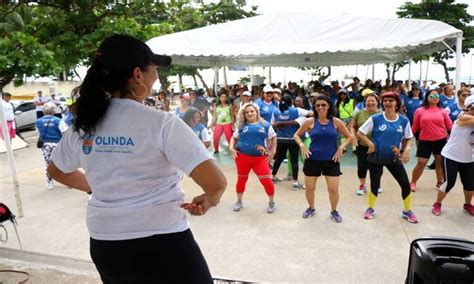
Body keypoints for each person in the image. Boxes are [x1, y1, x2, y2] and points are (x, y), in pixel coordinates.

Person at [47, 34, 226, 283]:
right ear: (138, 75)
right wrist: (210, 200)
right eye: (154, 69)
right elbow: (216, 182)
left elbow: (57, 171)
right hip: (163, 242)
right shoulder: (161, 124)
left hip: (105, 243)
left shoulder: (85, 122)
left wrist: (95, 187)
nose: (157, 77)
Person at [357, 92, 417, 223]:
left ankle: (407, 211)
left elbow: (408, 138)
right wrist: (369, 143)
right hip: (376, 158)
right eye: (385, 101)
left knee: (405, 185)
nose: (388, 103)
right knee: (375, 184)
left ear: (397, 103)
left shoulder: (403, 120)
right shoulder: (376, 118)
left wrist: (407, 149)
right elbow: (360, 133)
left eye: (391, 100)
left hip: (394, 158)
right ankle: (370, 208)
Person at [294, 95, 354, 223]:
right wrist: (302, 145)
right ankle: (311, 208)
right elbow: (296, 135)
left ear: (329, 106)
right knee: (310, 188)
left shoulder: (336, 121)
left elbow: (349, 137)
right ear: (314, 107)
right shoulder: (310, 121)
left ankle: (334, 211)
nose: (320, 107)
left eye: (323, 105)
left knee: (333, 189)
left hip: (331, 160)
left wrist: (341, 148)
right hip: (312, 159)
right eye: (317, 105)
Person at [229, 103, 277, 213]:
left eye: (252, 111)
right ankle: (239, 201)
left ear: (256, 112)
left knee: (266, 180)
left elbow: (273, 137)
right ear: (244, 115)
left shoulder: (265, 125)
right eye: (247, 112)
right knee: (241, 180)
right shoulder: (241, 126)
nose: (250, 113)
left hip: (260, 159)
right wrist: (231, 148)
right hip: (242, 157)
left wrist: (273, 151)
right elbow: (233, 138)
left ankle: (271, 202)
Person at [431, 95, 474, 216]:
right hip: (451, 156)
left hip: (467, 158)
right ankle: (437, 203)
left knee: (470, 184)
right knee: (449, 183)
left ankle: (467, 204)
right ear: (469, 107)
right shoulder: (464, 118)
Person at [410, 89, 452, 192]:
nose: (434, 98)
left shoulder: (443, 111)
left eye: (437, 96)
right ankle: (413, 182)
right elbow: (415, 126)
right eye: (432, 96)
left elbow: (450, 126)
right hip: (425, 140)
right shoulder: (420, 111)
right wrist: (407, 139)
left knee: (439, 162)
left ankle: (439, 182)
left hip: (440, 140)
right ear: (427, 98)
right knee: (421, 162)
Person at [271, 94, 309, 190]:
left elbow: (273, 124)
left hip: (280, 138)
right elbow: (311, 114)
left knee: (279, 158)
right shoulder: (297, 110)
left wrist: (280, 123)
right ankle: (295, 182)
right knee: (294, 160)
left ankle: (273, 177)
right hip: (293, 139)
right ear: (291, 102)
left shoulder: (276, 111)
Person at [349, 92, 382, 195]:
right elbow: (352, 126)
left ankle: (377, 184)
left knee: (377, 167)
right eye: (368, 101)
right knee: (362, 166)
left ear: (377, 102)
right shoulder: (359, 113)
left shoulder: (382, 114)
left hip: (378, 145)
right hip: (362, 145)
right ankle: (362, 185)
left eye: (373, 101)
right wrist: (353, 136)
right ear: (364, 103)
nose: (370, 103)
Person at [36, 103, 62, 190]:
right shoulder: (57, 120)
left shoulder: (38, 121)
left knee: (47, 163)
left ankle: (49, 182)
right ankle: (66, 180)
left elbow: (38, 133)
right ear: (52, 111)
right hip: (57, 144)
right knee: (61, 162)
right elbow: (64, 131)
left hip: (45, 144)